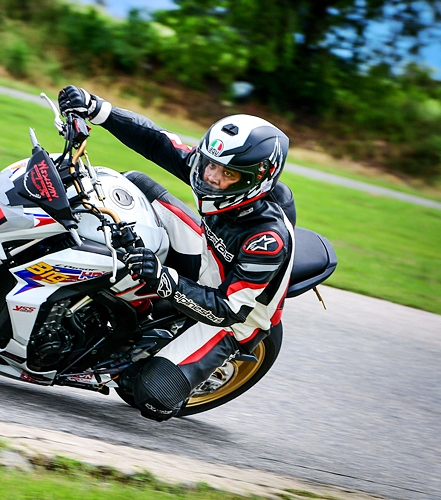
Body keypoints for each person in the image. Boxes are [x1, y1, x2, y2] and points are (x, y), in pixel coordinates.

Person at [58, 86, 295, 421]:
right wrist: (97, 109)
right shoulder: (212, 172)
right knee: (132, 184)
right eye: (211, 165)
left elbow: (229, 309)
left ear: (255, 181)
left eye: (227, 174)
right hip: (208, 255)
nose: (211, 178)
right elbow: (157, 141)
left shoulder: (267, 239)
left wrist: (163, 278)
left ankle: (152, 361)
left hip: (236, 317)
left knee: (149, 396)